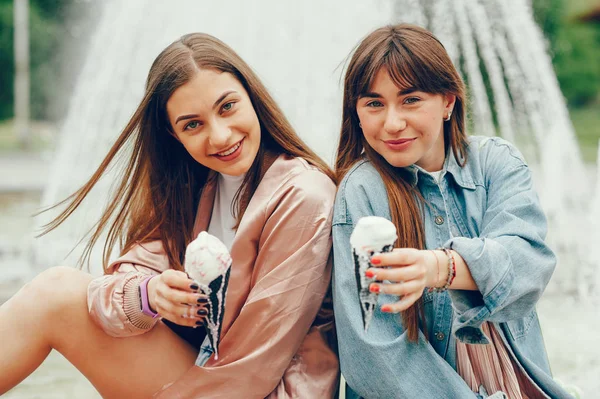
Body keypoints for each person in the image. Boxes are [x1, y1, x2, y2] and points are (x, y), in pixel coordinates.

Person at [0, 33, 339, 398]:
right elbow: (103, 299)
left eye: (227, 107)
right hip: (211, 375)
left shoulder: (304, 196)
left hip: (264, 390)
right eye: (193, 124)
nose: (221, 136)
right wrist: (151, 295)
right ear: (174, 135)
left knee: (55, 295)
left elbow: (253, 366)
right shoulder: (196, 187)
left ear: (252, 97)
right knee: (55, 294)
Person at [332, 24, 573, 399]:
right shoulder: (362, 192)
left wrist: (439, 267)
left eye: (410, 99)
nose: (392, 123)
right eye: (374, 103)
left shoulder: (496, 162)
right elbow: (372, 349)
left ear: (448, 101)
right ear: (357, 113)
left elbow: (528, 262)